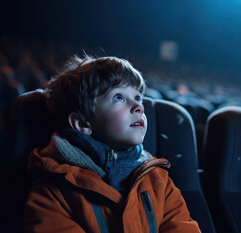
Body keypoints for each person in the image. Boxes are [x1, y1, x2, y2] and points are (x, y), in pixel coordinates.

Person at [24, 55, 201, 233]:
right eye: (119, 97)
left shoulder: (158, 180)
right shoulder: (53, 191)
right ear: (83, 123)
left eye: (138, 98)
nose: (138, 107)